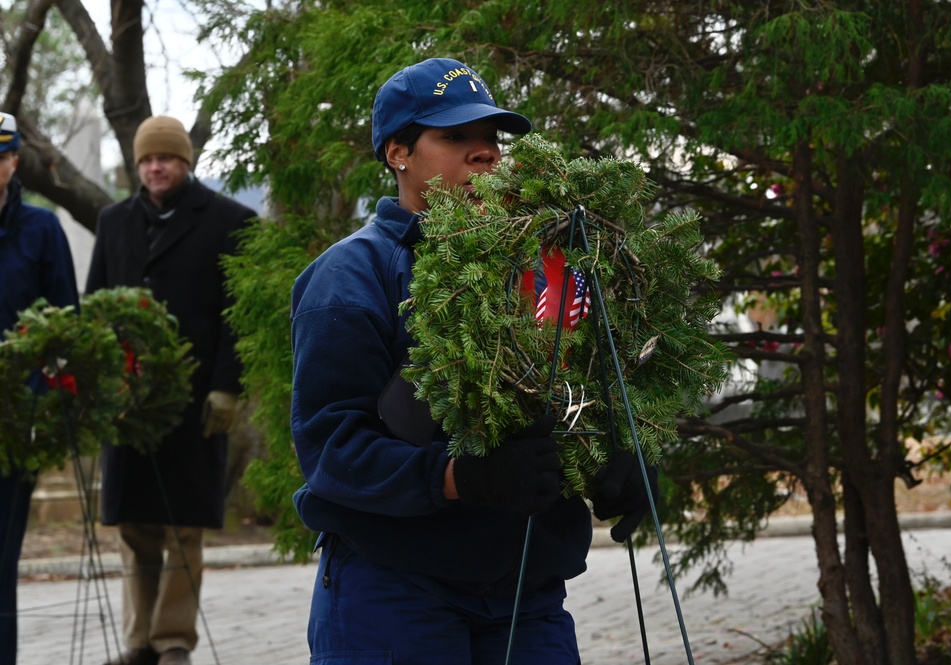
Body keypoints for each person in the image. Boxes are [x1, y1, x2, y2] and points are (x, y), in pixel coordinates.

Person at [290, 57, 656, 665]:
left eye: (491, 139)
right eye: (455, 137)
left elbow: (583, 400)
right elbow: (331, 451)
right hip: (395, 592)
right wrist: (465, 478)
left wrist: (618, 461)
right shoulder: (348, 279)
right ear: (397, 153)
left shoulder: (543, 269)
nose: (483, 153)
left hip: (528, 598)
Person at [85, 115, 256, 665]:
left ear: (186, 162)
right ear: (138, 166)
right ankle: (139, 641)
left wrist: (228, 389)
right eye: (146, 160)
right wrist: (96, 386)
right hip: (126, 401)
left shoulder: (230, 221)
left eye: (166, 158)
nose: (156, 167)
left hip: (195, 401)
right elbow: (94, 307)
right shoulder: (114, 223)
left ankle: (174, 639)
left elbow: (239, 317)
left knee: (184, 523)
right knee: (134, 525)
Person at [0, 111, 80, 664]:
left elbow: (65, 324)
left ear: (13, 162)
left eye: (2, 157)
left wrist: (49, 405)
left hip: (14, 421)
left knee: (2, 564)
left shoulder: (42, 230)